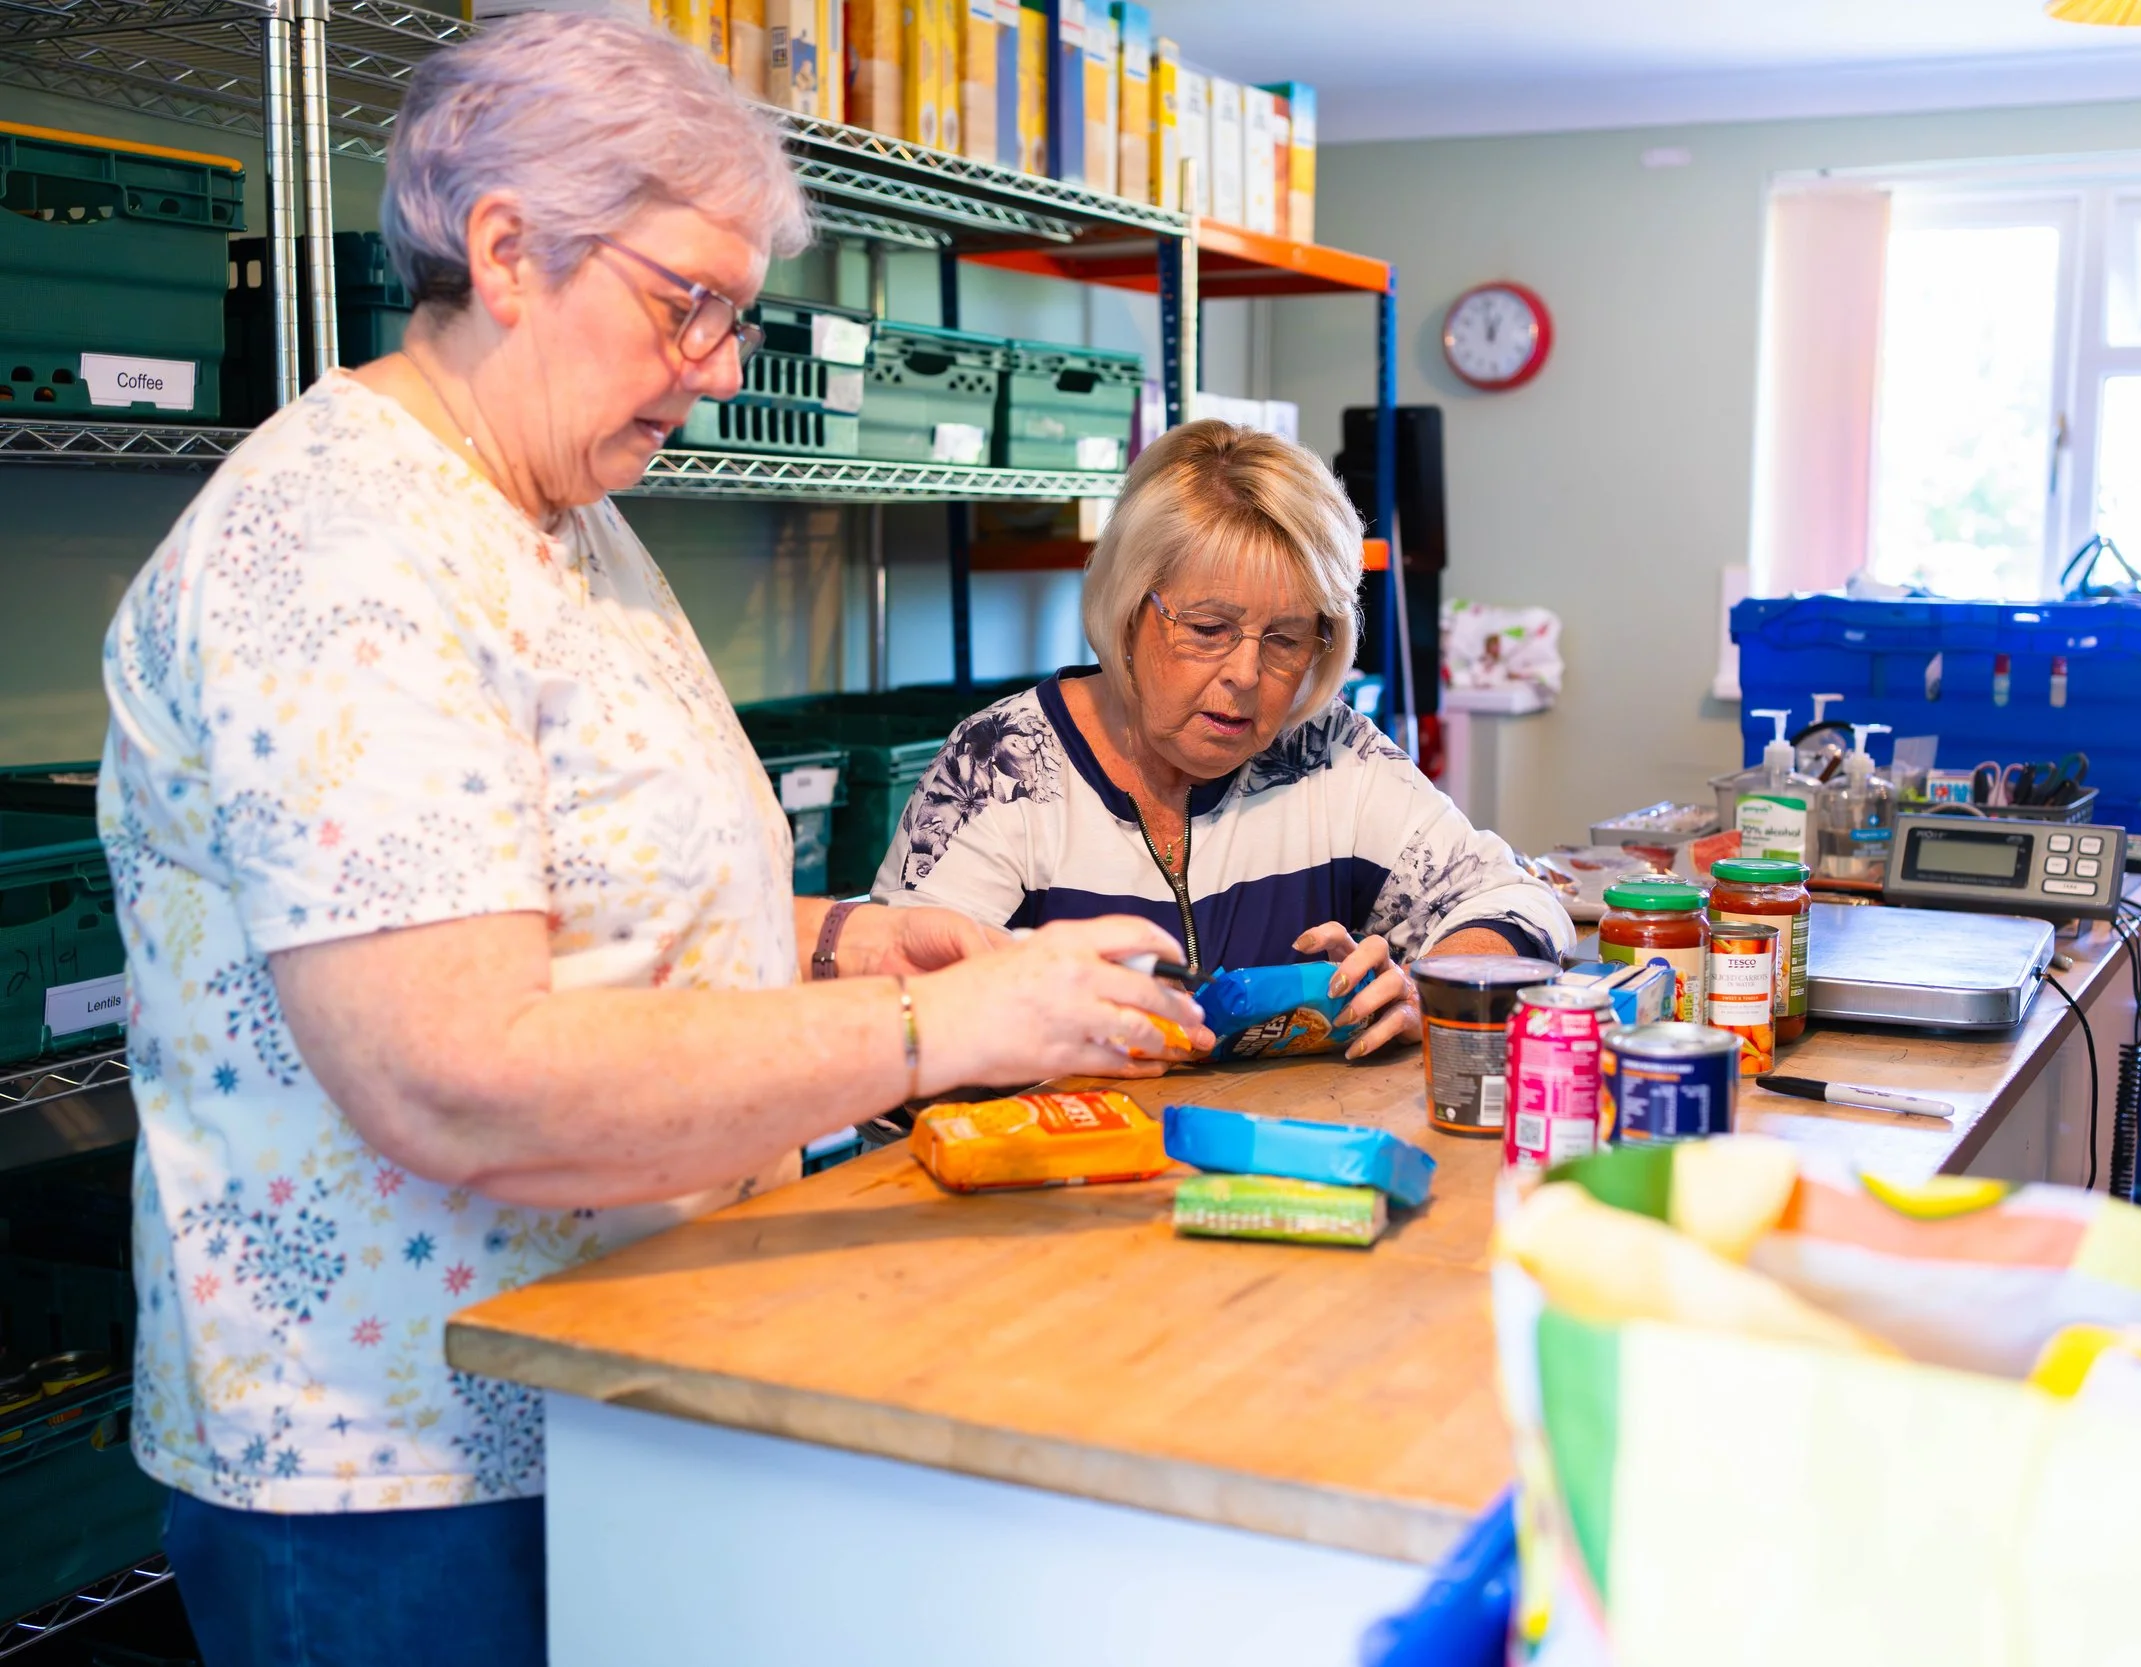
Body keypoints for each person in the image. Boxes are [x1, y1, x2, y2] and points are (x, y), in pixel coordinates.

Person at [95, 16, 1209, 1665]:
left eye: (733, 316)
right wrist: (924, 1030)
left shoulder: (559, 514)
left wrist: (829, 938)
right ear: (509, 252)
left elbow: (553, 890)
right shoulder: (342, 554)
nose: (715, 362)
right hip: (403, 1462)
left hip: (603, 1376)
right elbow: (452, 1068)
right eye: (683, 302)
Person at [873, 420, 1577, 1057]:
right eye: (1208, 629)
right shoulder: (1002, 766)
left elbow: (1519, 900)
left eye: (1285, 639)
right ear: (1127, 611)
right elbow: (890, 1007)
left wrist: (1431, 985)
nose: (1246, 674)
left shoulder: (1326, 754)